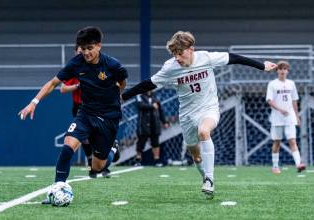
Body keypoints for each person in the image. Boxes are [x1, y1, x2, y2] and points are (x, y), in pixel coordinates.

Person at [122, 31, 277, 199]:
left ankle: (209, 179)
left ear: (191, 50)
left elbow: (234, 58)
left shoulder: (206, 58)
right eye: (174, 54)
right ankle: (204, 175)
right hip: (187, 114)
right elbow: (148, 84)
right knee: (195, 155)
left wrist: (262, 66)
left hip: (209, 108)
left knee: (204, 131)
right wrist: (123, 96)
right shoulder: (170, 67)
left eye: (180, 53)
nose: (178, 58)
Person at [19, 26, 127, 204]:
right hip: (86, 113)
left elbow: (122, 83)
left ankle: (112, 149)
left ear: (99, 46)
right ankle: (58, 188)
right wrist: (34, 102)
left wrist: (114, 95)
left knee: (98, 167)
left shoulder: (113, 65)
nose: (86, 53)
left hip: (108, 118)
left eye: (90, 48)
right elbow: (54, 83)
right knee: (68, 144)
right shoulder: (76, 63)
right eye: (83, 49)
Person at [59, 45, 119, 177]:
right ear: (76, 52)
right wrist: (78, 86)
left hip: (99, 109)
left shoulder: (100, 65)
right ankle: (91, 162)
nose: (84, 54)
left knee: (96, 139)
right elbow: (62, 88)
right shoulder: (75, 67)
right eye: (80, 51)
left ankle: (106, 156)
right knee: (83, 139)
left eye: (87, 50)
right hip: (80, 108)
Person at [266, 60, 306, 174]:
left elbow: (294, 101)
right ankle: (275, 166)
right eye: (280, 69)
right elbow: (270, 100)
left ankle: (299, 164)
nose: (282, 71)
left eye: (285, 69)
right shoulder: (272, 84)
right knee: (277, 142)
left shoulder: (291, 84)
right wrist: (280, 110)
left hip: (289, 117)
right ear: (277, 70)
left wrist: (297, 116)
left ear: (287, 71)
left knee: (292, 140)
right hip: (277, 118)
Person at [134, 91, 168, 167]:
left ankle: (157, 160)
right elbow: (140, 105)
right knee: (141, 142)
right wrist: (152, 106)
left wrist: (164, 122)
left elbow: (160, 110)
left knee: (155, 142)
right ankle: (138, 160)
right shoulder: (139, 96)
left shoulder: (155, 97)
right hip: (143, 123)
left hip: (155, 122)